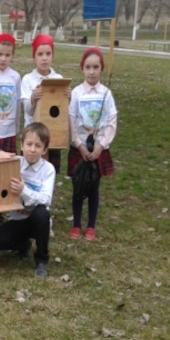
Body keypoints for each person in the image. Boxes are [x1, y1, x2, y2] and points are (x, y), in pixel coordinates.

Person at [0, 123, 55, 278]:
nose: (32, 149)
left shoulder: (48, 169)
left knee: (42, 213)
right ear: (22, 145)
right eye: (29, 144)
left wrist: (24, 191)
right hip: (17, 220)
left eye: (38, 146)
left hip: (36, 222)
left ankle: (41, 260)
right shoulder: (15, 162)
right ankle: (23, 244)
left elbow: (46, 199)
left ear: (44, 149)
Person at [68, 48, 118, 241]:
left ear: (101, 69)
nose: (91, 72)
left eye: (95, 67)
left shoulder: (107, 93)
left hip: (98, 149)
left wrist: (101, 146)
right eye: (88, 67)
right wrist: (79, 145)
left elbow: (111, 121)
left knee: (94, 188)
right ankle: (76, 225)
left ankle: (91, 226)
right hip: (79, 148)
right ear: (82, 68)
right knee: (78, 187)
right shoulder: (76, 93)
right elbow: (71, 121)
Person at [20, 34, 70, 174]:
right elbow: (27, 110)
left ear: (53, 56)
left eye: (48, 54)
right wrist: (33, 98)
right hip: (33, 138)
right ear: (34, 57)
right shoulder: (28, 79)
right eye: (40, 54)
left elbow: (62, 111)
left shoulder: (58, 79)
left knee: (49, 174)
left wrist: (68, 98)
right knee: (29, 174)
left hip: (53, 136)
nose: (44, 58)